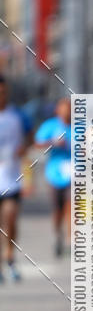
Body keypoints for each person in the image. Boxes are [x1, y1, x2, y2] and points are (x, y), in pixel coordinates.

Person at [0, 76, 32, 282]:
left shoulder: (18, 115)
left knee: (10, 217)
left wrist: (24, 147)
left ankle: (10, 257)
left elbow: (30, 137)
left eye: (3, 92)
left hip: (11, 179)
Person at [35, 97, 72, 257]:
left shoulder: (79, 127)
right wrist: (53, 142)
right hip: (55, 174)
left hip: (75, 174)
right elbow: (37, 143)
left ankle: (72, 241)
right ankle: (58, 235)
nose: (67, 111)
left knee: (73, 207)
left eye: (69, 108)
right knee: (58, 209)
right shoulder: (51, 126)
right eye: (64, 108)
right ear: (58, 110)